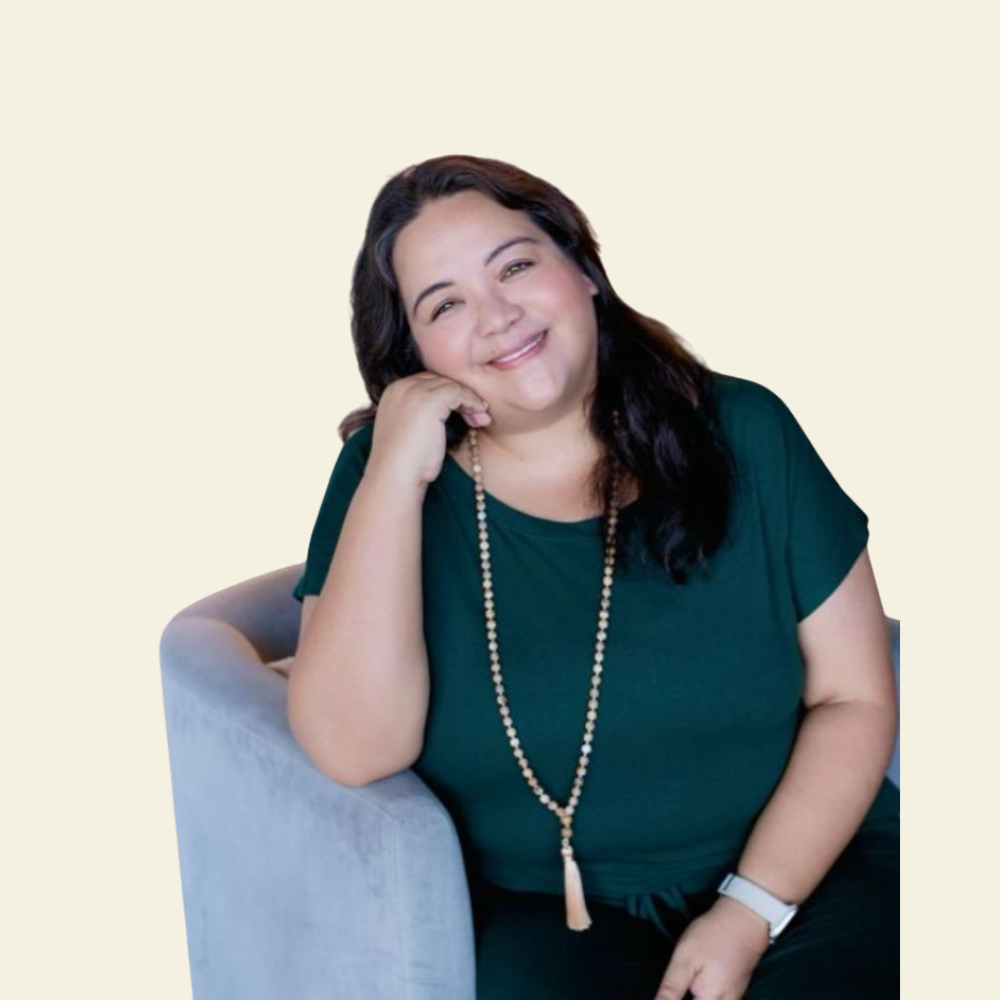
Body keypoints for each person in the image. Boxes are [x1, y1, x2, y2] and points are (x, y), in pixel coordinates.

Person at [287, 154, 900, 1000]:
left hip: (811, 874)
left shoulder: (746, 429)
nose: (496, 315)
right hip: (550, 915)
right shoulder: (385, 479)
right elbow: (355, 749)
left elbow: (854, 697)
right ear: (412, 353)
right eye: (445, 304)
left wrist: (749, 912)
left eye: (515, 266)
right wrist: (394, 469)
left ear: (583, 269)